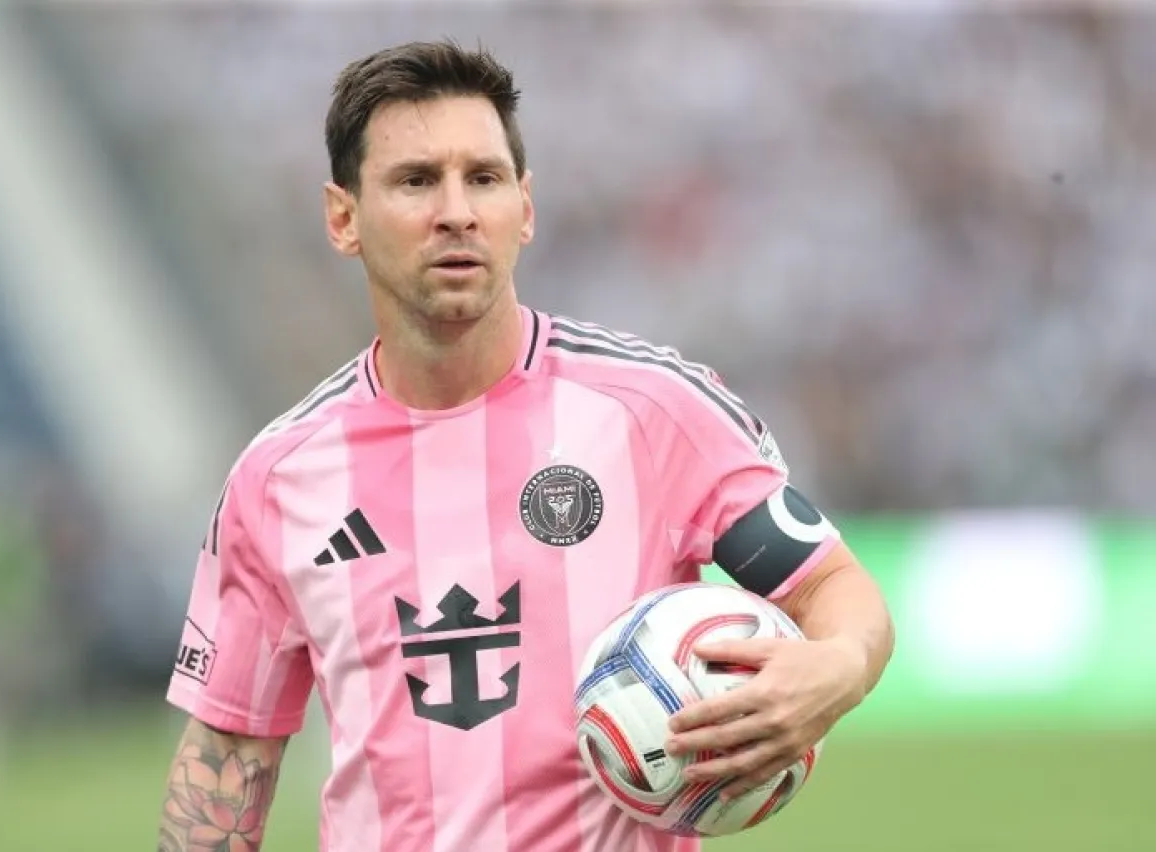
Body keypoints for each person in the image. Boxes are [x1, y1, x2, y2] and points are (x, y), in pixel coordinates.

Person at [157, 39, 894, 852]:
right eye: (415, 181)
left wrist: (836, 669)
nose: (457, 212)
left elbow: (835, 586)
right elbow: (227, 761)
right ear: (343, 218)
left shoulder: (653, 411)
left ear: (526, 207)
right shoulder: (278, 480)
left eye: (483, 178)